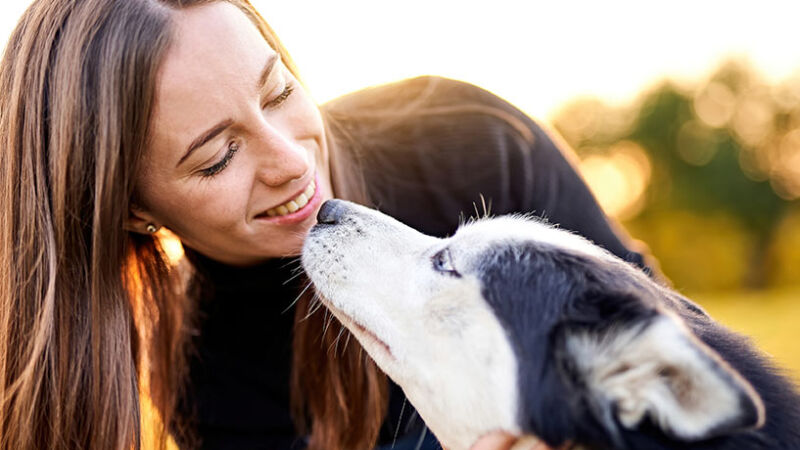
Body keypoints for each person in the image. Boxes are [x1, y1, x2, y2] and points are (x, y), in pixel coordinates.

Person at [0, 1, 649, 449]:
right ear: (135, 211)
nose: (291, 160)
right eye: (218, 156)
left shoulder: (474, 150)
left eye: (279, 92)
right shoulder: (206, 373)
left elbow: (665, 349)